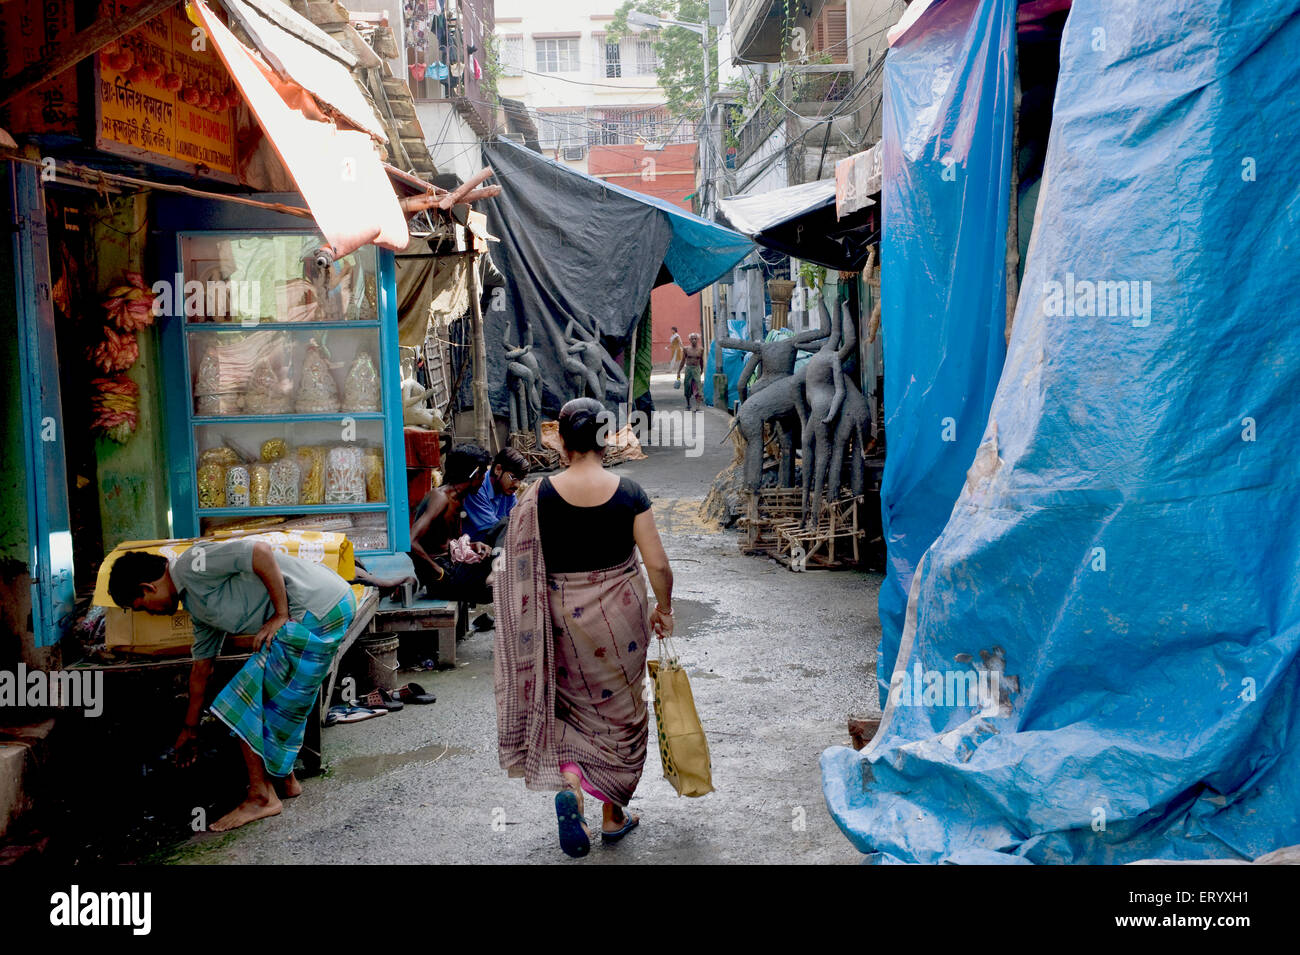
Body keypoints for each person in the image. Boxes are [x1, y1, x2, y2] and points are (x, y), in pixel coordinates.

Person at [493, 397, 675, 858]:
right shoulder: (630, 492)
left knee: (572, 711)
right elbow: (657, 564)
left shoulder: (538, 496)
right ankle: (613, 815)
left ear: (564, 444)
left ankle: (572, 785)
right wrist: (665, 608)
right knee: (622, 712)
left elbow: (513, 567)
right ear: (604, 439)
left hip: (561, 620)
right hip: (621, 622)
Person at [107, 538, 356, 831]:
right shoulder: (197, 606)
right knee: (277, 697)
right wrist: (190, 730)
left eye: (144, 608)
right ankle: (285, 781)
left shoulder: (191, 564)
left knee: (239, 700)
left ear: (149, 587)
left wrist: (279, 613)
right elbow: (202, 669)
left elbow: (259, 552)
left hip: (317, 609)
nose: (152, 613)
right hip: (322, 609)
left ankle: (262, 796)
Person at [409, 444, 494, 604]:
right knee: (504, 528)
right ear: (475, 475)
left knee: (500, 576)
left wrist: (473, 545)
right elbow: (410, 542)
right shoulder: (440, 497)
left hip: (451, 568)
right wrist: (437, 572)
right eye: (483, 474)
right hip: (441, 576)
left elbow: (445, 542)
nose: (484, 480)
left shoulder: (458, 498)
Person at [464, 448, 526, 548]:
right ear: (498, 469)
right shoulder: (477, 488)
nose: (517, 485)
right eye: (513, 477)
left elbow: (518, 521)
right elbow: (495, 531)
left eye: (520, 480)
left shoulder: (507, 490)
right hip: (474, 548)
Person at [676, 332, 705, 411]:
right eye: (692, 339)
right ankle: (688, 404)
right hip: (688, 369)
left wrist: (702, 369)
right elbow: (682, 361)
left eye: (695, 338)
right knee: (687, 386)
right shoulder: (686, 349)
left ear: (698, 340)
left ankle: (698, 406)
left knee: (698, 386)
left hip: (696, 369)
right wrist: (678, 371)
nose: (694, 340)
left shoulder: (701, 349)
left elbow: (701, 360)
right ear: (689, 340)